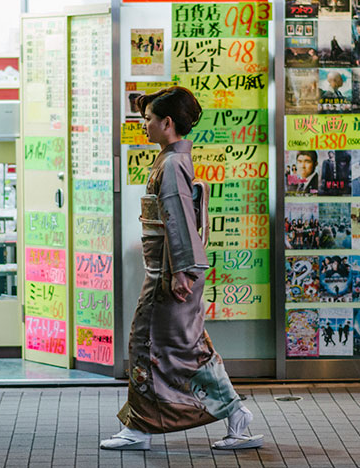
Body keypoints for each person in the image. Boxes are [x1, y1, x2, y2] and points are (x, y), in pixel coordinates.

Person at [100, 86, 262, 452]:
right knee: (188, 348)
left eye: (149, 120)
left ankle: (142, 426)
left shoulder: (171, 164)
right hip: (173, 268)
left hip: (170, 273)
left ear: (167, 123)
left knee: (147, 344)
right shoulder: (173, 161)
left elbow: (177, 220)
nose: (145, 126)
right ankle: (234, 414)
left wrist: (180, 272)